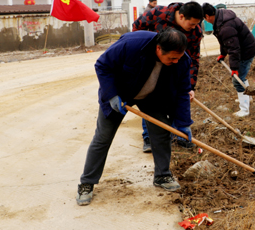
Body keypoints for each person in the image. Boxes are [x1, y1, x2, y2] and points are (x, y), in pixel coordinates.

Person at [76, 28, 193, 205]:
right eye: (172, 58)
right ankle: (87, 183)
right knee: (103, 137)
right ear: (159, 49)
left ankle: (162, 175)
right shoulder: (131, 45)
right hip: (120, 94)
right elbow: (102, 65)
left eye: (178, 57)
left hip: (153, 96)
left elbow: (183, 92)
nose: (176, 61)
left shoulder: (182, 60)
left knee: (162, 133)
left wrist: (183, 123)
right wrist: (112, 95)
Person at [132, 1, 203, 152]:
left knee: (177, 98)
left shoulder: (195, 31)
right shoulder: (158, 14)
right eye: (192, 24)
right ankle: (149, 138)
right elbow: (137, 28)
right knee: (149, 100)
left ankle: (180, 134)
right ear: (181, 16)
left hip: (176, 68)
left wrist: (190, 86)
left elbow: (194, 58)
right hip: (154, 64)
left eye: (197, 24)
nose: (194, 27)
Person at [203, 3, 255, 117]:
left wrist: (234, 68)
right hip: (246, 49)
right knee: (241, 77)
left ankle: (244, 110)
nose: (204, 21)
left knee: (237, 80)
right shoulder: (220, 19)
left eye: (203, 18)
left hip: (246, 52)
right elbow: (224, 42)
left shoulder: (225, 26)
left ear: (207, 16)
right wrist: (223, 54)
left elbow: (234, 48)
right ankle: (247, 98)